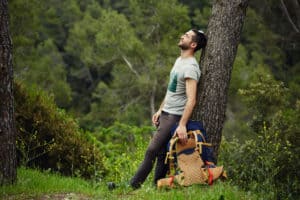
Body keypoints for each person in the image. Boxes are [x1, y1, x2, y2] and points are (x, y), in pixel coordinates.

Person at [130, 29, 207, 189]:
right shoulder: (180, 60)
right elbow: (171, 90)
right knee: (162, 154)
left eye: (186, 36)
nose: (182, 36)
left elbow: (192, 100)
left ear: (193, 44)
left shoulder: (191, 67)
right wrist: (160, 109)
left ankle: (131, 186)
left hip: (173, 118)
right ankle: (158, 187)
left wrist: (182, 124)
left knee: (151, 151)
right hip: (165, 114)